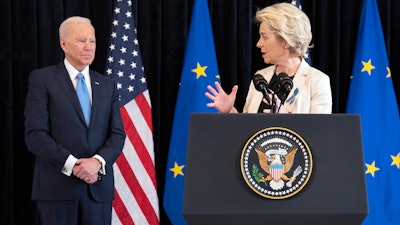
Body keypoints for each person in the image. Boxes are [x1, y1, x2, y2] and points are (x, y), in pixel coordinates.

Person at [24, 16, 126, 225]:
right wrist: (74, 165)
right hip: (56, 190)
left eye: (92, 41)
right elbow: (35, 134)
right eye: (81, 41)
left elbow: (117, 133)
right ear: (64, 44)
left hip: (98, 191)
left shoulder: (107, 85)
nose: (89, 47)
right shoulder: (42, 79)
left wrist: (97, 163)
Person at [206, 3, 332, 114]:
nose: (258, 44)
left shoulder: (317, 81)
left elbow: (320, 134)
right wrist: (230, 111)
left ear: (285, 41)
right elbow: (247, 130)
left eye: (264, 37)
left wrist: (287, 119)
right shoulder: (261, 77)